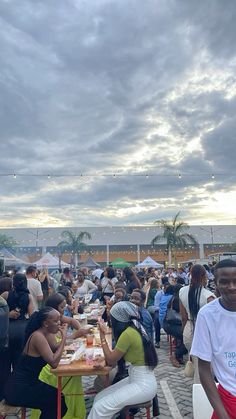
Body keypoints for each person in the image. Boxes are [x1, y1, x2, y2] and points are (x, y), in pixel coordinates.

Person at [87, 301, 158, 419]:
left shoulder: (128, 334)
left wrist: (102, 336)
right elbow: (114, 358)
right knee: (100, 398)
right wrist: (104, 358)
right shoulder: (136, 328)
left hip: (143, 384)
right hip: (138, 378)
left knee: (100, 407)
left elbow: (111, 360)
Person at [191, 259, 236, 418]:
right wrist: (223, 415)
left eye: (235, 281)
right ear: (215, 284)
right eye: (224, 282)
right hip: (228, 399)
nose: (231, 287)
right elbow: (204, 369)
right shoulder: (207, 315)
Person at [4, 307, 68, 419]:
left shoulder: (43, 334)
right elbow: (53, 362)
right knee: (57, 401)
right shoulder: (38, 336)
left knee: (57, 399)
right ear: (45, 323)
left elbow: (54, 348)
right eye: (56, 321)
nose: (59, 323)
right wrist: (64, 338)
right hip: (18, 389)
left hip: (28, 384)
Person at [179, 264, 215, 382]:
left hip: (188, 330)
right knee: (206, 369)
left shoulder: (182, 291)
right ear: (204, 276)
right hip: (205, 332)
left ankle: (199, 390)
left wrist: (185, 333)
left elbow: (183, 317)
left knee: (196, 363)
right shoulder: (208, 296)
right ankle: (201, 394)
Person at [1, 273, 34, 376]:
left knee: (4, 363)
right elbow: (32, 316)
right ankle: (16, 388)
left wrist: (8, 314)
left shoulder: (6, 294)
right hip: (22, 330)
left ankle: (3, 388)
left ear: (13, 282)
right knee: (19, 363)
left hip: (7, 330)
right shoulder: (29, 297)